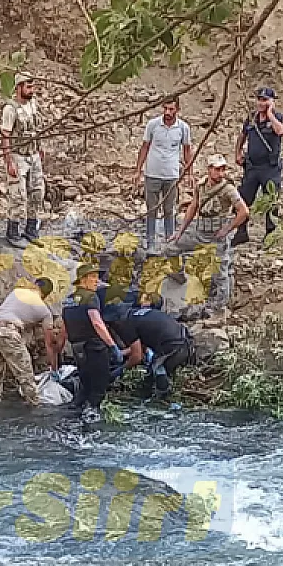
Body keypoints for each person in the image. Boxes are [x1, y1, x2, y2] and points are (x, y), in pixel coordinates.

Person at [163, 154, 250, 309]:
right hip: (200, 232)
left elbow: (243, 211)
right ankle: (179, 277)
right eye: (217, 169)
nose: (221, 173)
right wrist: (180, 231)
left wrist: (227, 229)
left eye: (223, 169)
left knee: (220, 273)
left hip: (216, 237)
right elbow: (193, 206)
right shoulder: (201, 185)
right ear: (209, 169)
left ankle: (220, 305)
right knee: (171, 249)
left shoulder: (228, 189)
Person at [0, 277, 61, 406]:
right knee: (25, 374)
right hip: (7, 332)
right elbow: (49, 342)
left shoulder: (17, 292)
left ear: (34, 285)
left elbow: (18, 312)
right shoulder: (44, 310)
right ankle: (34, 406)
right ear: (46, 295)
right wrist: (54, 367)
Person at [62, 263, 123, 424]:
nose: (97, 281)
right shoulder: (90, 297)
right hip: (93, 347)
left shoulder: (68, 301)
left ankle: (74, 413)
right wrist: (112, 345)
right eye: (93, 277)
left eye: (97, 277)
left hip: (77, 348)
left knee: (85, 381)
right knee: (99, 383)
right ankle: (92, 416)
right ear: (83, 279)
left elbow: (64, 327)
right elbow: (97, 323)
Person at [104, 303, 194, 408]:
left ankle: (163, 400)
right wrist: (121, 353)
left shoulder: (126, 325)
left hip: (174, 348)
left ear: (116, 321)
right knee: (152, 372)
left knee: (157, 371)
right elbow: (140, 347)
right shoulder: (137, 316)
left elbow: (137, 357)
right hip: (186, 342)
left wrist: (118, 372)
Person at [133, 97, 193, 251]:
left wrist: (189, 173)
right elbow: (145, 147)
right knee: (151, 209)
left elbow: (187, 150)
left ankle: (169, 241)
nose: (167, 112)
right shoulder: (153, 125)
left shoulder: (183, 128)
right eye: (165, 108)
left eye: (171, 109)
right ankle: (150, 242)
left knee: (169, 209)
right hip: (152, 173)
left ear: (177, 110)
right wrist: (138, 170)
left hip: (171, 175)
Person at [233, 87, 283, 246]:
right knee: (243, 198)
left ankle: (271, 235)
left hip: (270, 168)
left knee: (271, 200)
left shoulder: (279, 118)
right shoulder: (251, 119)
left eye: (265, 100)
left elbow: (281, 131)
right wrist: (237, 153)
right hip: (251, 167)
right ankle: (241, 232)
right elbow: (242, 136)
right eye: (259, 99)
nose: (261, 103)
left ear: (272, 102)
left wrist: (270, 114)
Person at [0, 73, 45, 249]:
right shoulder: (10, 109)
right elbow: (5, 135)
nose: (31, 90)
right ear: (18, 87)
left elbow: (37, 128)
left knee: (37, 192)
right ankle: (13, 232)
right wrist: (8, 160)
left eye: (32, 86)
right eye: (28, 86)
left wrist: (40, 148)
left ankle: (31, 230)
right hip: (18, 156)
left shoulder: (33, 105)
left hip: (33, 154)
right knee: (18, 195)